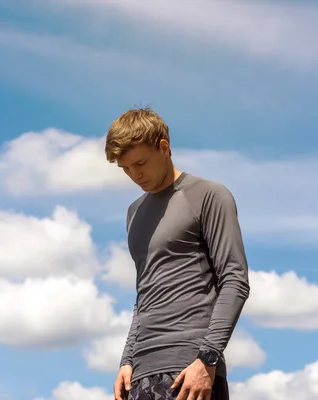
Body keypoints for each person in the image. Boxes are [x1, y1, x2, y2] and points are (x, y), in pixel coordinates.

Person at [105, 107, 250, 400]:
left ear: (164, 147)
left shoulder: (208, 195)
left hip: (190, 369)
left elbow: (235, 280)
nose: (135, 175)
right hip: (141, 373)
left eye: (141, 163)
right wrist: (127, 359)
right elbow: (145, 293)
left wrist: (207, 358)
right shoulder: (134, 212)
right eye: (126, 169)